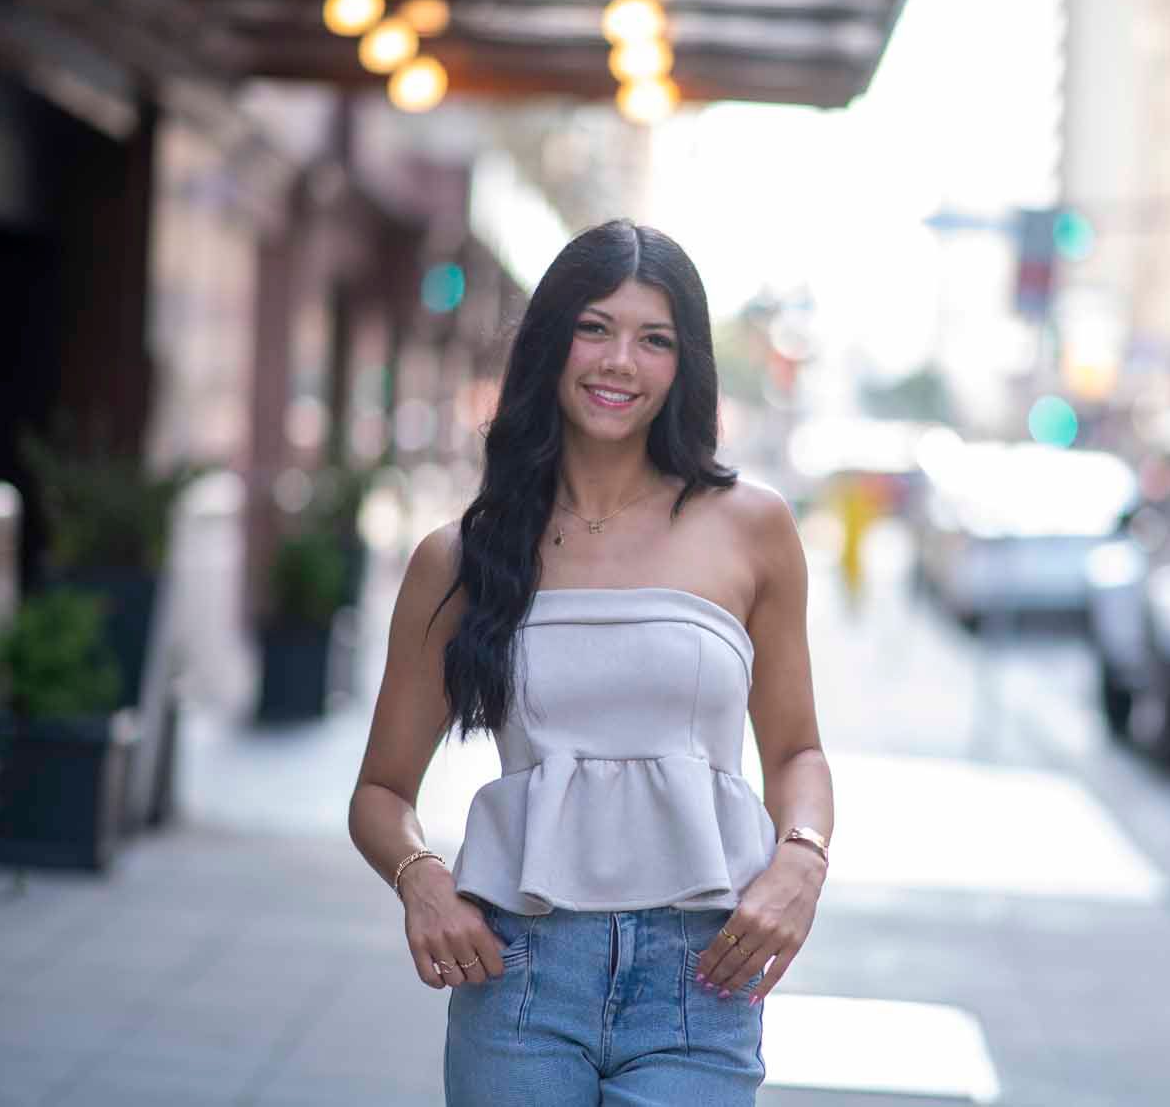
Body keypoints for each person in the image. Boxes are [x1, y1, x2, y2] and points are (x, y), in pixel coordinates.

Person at [348, 219, 834, 1106]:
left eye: (655, 339)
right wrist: (422, 881)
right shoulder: (461, 556)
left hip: (702, 979)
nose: (621, 362)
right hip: (522, 973)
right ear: (551, 343)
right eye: (596, 327)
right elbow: (380, 792)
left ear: (685, 365)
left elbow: (797, 750)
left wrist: (799, 862)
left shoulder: (751, 528)